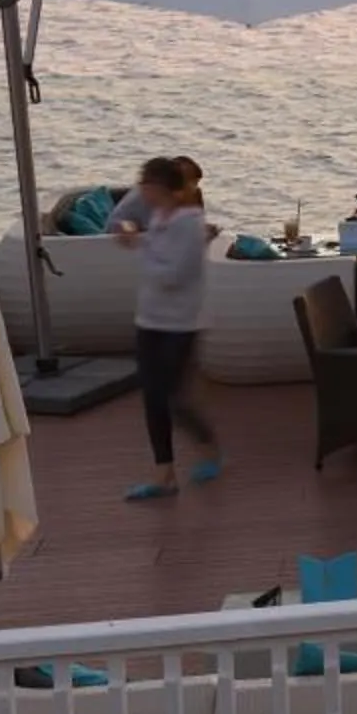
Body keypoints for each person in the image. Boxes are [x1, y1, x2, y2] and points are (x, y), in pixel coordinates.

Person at [114, 155, 220, 501]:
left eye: (148, 185)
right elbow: (121, 224)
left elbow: (172, 276)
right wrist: (134, 236)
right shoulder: (157, 217)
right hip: (149, 320)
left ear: (165, 189)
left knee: (173, 397)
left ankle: (207, 444)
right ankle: (165, 475)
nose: (142, 191)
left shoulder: (190, 224)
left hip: (182, 324)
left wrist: (138, 246)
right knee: (152, 398)